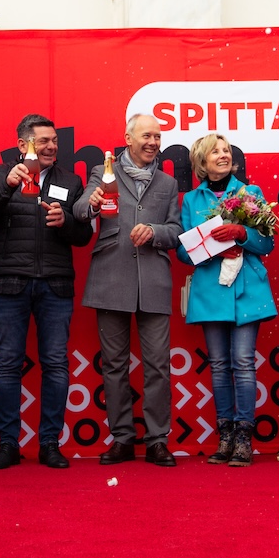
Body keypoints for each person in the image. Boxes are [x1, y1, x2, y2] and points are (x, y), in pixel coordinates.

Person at [0, 114, 93, 469]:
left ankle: (50, 442)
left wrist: (66, 221)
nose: (52, 146)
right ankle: (8, 443)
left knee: (55, 364)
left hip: (56, 284)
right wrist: (7, 186)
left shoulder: (70, 180)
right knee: (8, 364)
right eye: (43, 141)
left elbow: (84, 235)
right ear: (23, 143)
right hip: (10, 283)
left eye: (54, 140)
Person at [72, 114, 182, 466]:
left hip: (153, 279)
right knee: (114, 365)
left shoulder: (167, 182)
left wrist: (154, 231)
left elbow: (176, 231)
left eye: (158, 136)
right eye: (147, 135)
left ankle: (157, 440)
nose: (153, 142)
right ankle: (121, 437)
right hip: (110, 277)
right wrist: (91, 202)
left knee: (158, 366)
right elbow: (78, 210)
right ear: (128, 138)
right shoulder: (103, 172)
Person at [176, 133, 276, 466]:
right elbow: (183, 252)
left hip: (247, 290)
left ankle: (245, 438)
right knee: (219, 366)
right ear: (201, 162)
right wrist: (212, 246)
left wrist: (243, 235)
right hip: (211, 291)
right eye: (214, 152)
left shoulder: (252, 193)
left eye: (226, 150)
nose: (223, 155)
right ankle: (225, 436)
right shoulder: (191, 200)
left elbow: (267, 245)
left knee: (243, 362)